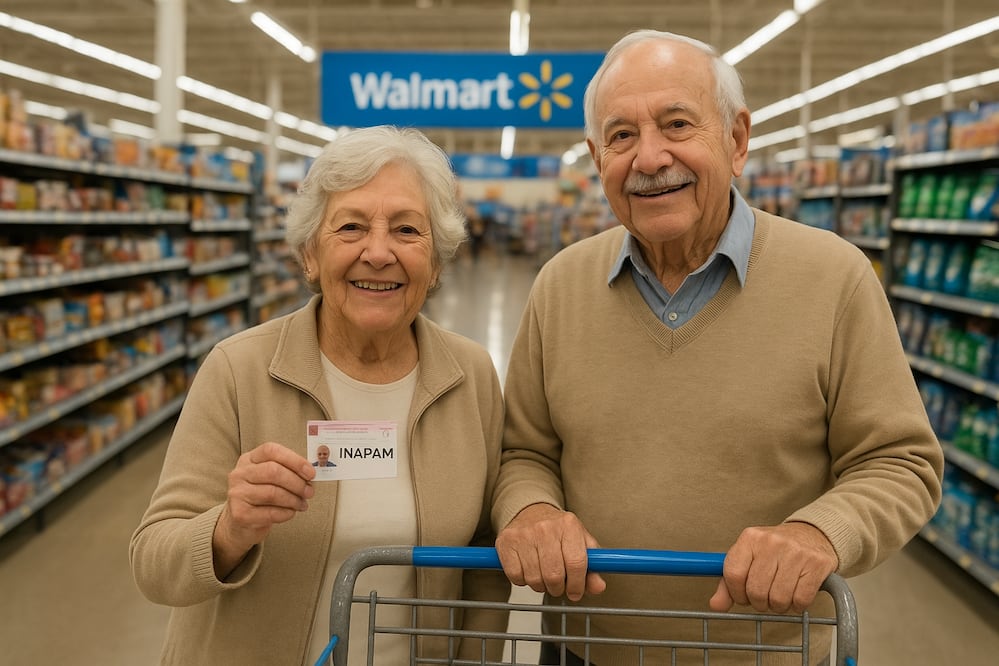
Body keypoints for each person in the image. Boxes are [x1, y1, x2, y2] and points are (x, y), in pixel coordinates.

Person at [490, 30, 944, 665]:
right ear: (597, 159)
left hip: (766, 654)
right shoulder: (561, 285)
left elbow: (900, 463)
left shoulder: (834, 278)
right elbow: (524, 451)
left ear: (736, 139)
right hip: (584, 650)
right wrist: (532, 509)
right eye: (621, 136)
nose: (649, 158)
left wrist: (819, 532)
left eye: (677, 124)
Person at [130, 125, 510, 665]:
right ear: (309, 255)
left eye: (406, 230)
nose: (378, 253)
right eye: (351, 227)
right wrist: (229, 528)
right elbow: (152, 561)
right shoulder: (240, 369)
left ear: (437, 264)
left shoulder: (470, 376)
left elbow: (484, 554)